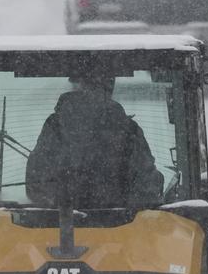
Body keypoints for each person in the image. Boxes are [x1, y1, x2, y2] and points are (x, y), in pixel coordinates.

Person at [25, 72, 163, 208]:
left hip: (59, 225)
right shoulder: (128, 130)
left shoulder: (55, 125)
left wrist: (63, 208)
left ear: (78, 85)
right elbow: (147, 185)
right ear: (109, 88)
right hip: (121, 226)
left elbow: (37, 181)